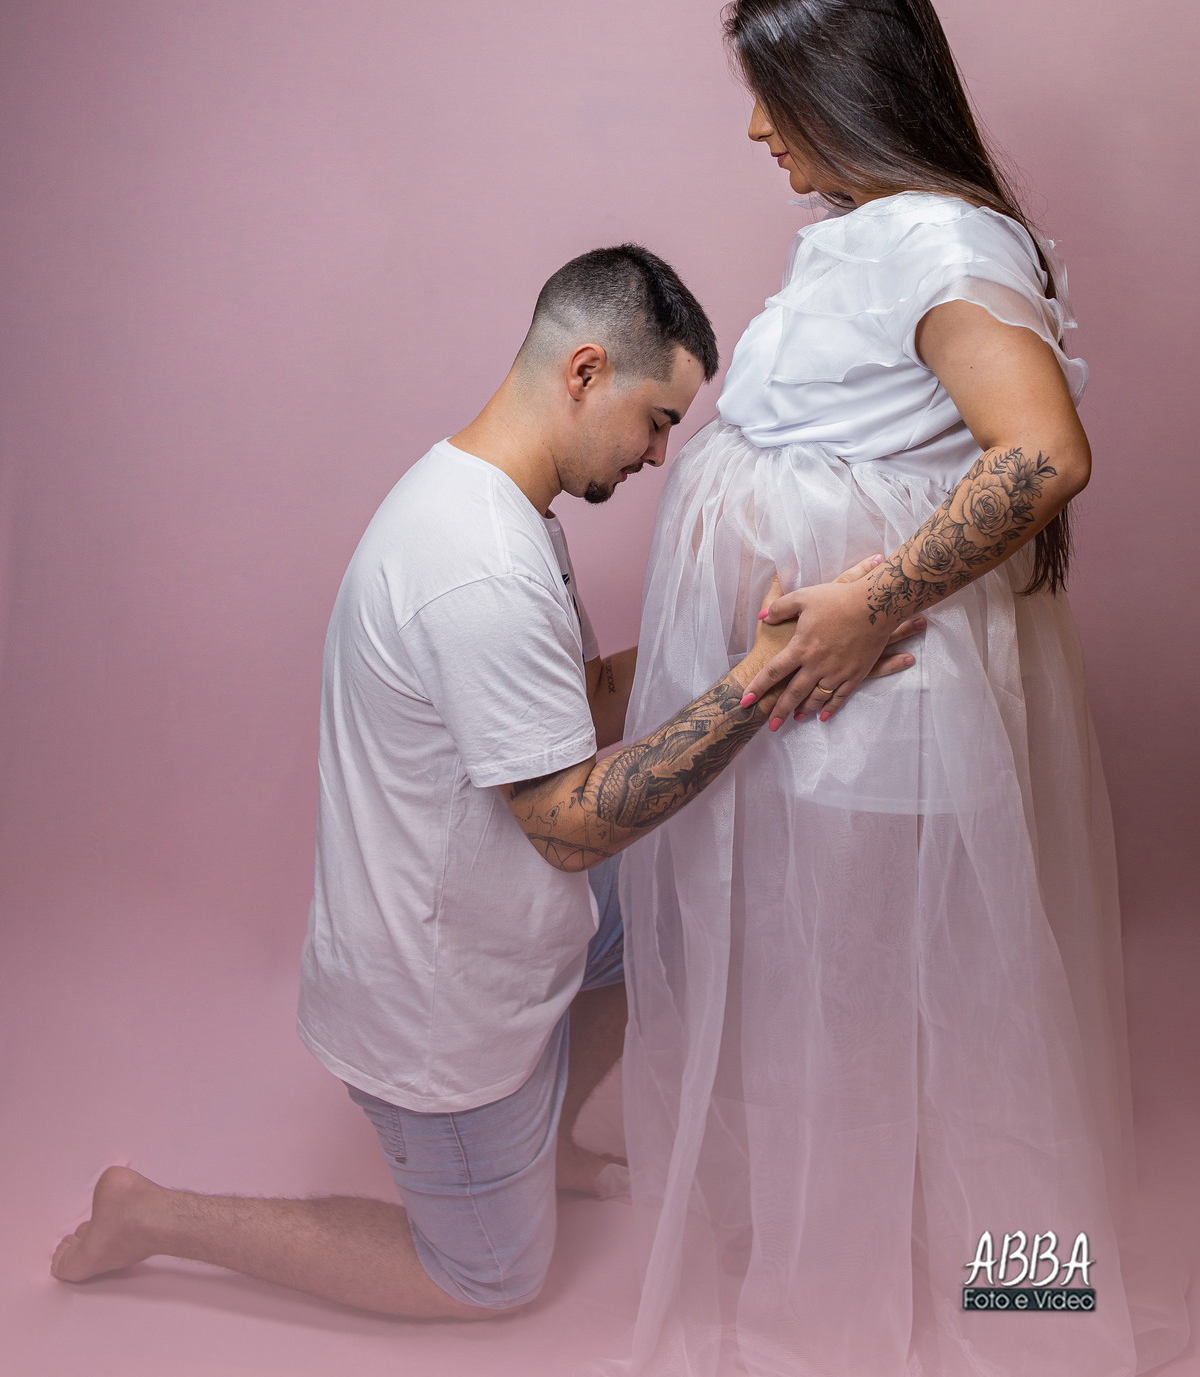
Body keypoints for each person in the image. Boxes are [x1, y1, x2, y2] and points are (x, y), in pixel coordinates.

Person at [49, 242, 921, 1320]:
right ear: (587, 371)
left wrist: (744, 642)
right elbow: (567, 830)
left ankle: (543, 1146)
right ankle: (151, 1213)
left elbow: (579, 698)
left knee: (665, 903)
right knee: (486, 1280)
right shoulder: (480, 566)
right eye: (657, 420)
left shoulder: (500, 504)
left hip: (495, 909)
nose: (660, 455)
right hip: (437, 1002)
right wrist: (754, 688)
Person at [604, 0, 1190, 1376]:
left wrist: (870, 599)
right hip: (824, 695)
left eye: (773, 93)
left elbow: (1043, 455)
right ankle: (852, 1287)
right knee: (857, 1001)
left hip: (878, 689)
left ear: (846, 86)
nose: (755, 128)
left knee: (939, 1014)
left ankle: (1022, 1318)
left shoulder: (940, 242)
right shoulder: (873, 227)